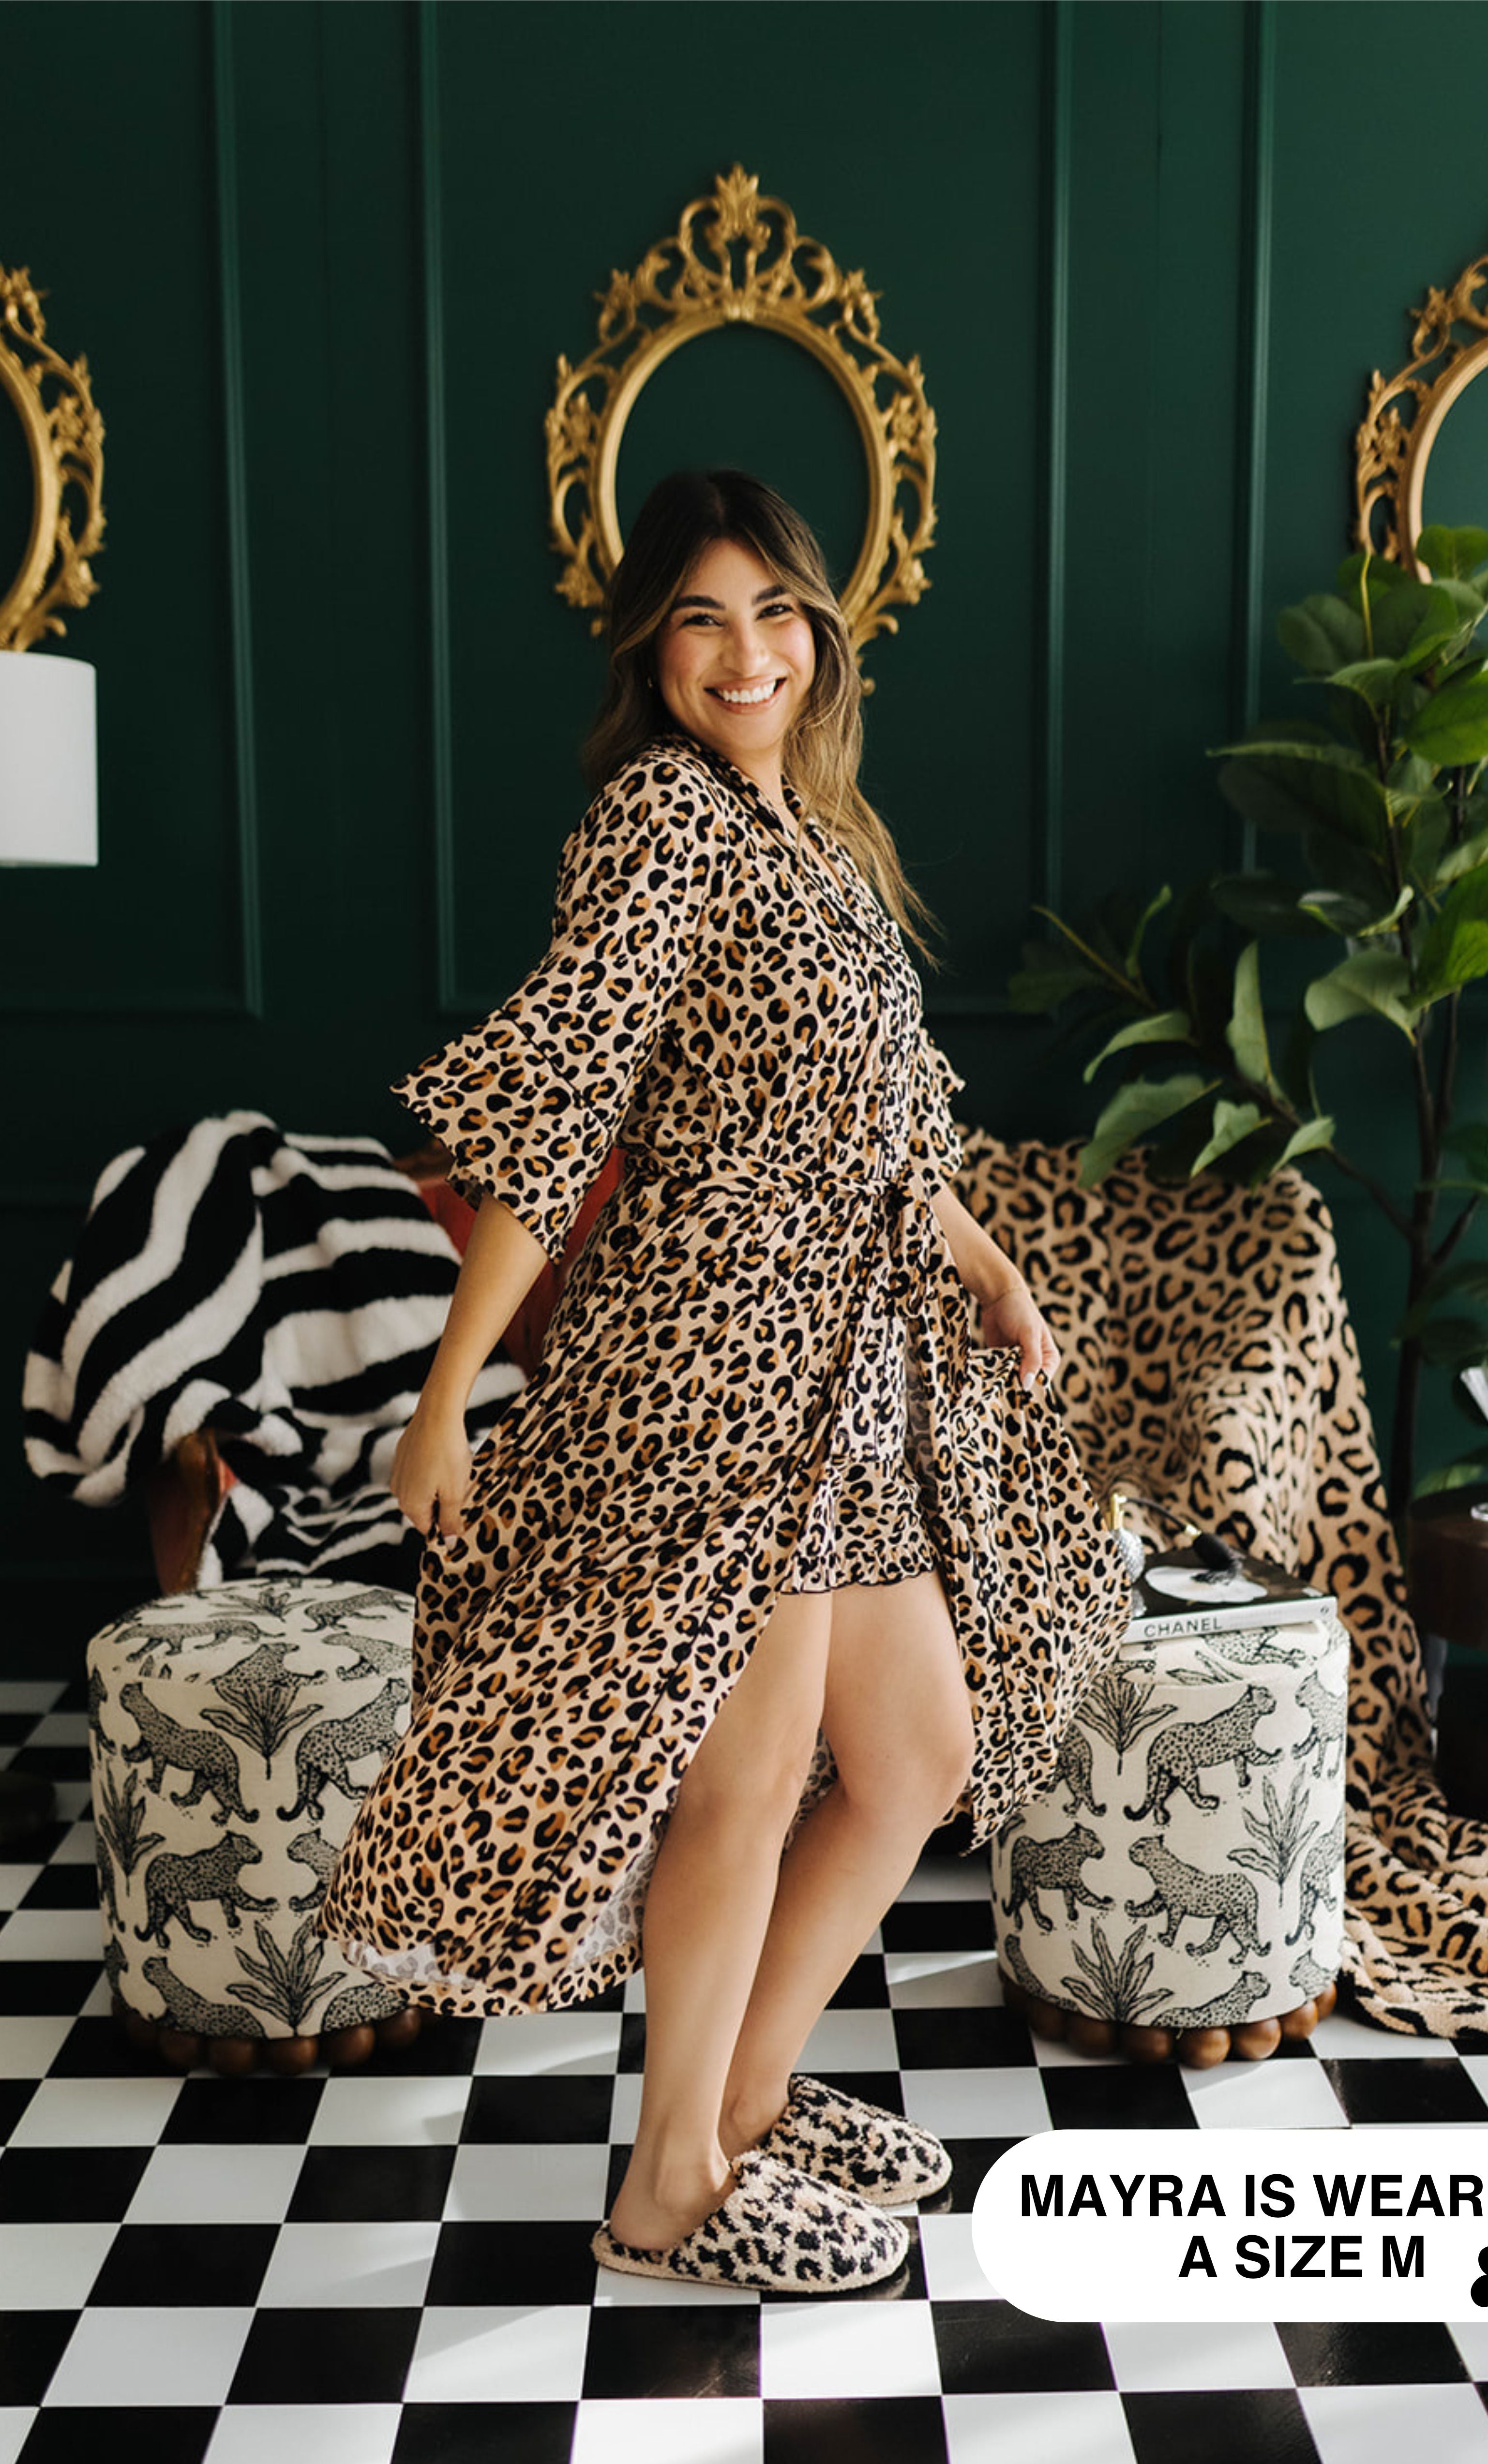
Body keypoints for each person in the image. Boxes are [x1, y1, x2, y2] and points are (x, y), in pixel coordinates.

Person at [315, 469, 1129, 2295]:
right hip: (712, 1370)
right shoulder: (661, 825)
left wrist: (987, 1268)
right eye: (701, 614)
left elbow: (891, 1126)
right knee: (746, 1782)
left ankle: (746, 2103)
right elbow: (564, 1105)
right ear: (647, 646)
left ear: (824, 632)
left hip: (855, 1376)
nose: (745, 650)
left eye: (775, 609)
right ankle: (669, 2186)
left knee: (916, 1751)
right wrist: (451, 1395)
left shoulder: (821, 842)